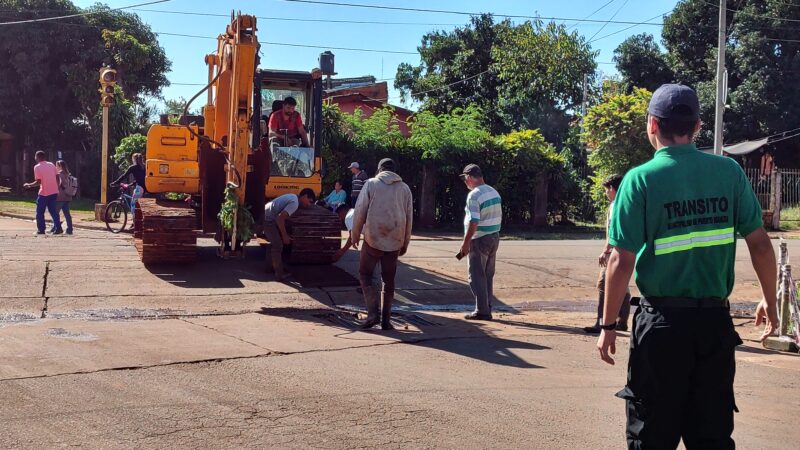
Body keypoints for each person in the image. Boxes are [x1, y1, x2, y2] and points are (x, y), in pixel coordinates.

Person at [597, 84, 779, 449]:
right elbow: (759, 242)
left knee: (651, 436)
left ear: (652, 125)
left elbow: (621, 259)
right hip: (713, 326)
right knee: (711, 435)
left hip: (661, 328)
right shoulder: (728, 172)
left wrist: (607, 326)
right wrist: (770, 304)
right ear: (697, 127)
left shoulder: (640, 179)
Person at [351, 158, 413, 330]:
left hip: (373, 238)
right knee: (389, 280)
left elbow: (360, 211)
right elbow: (409, 218)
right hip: (395, 239)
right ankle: (386, 320)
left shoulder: (371, 184)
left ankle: (372, 315)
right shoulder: (405, 188)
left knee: (365, 274)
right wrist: (405, 243)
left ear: (379, 170)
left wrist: (355, 234)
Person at [583, 174, 630, 334]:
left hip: (614, 251)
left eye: (606, 190)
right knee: (621, 284)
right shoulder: (626, 203)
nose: (606, 193)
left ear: (612, 189)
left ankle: (601, 322)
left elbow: (612, 232)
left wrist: (606, 250)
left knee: (604, 285)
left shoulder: (615, 205)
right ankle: (622, 320)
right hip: (625, 250)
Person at [459, 164, 502, 321]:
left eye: (465, 179)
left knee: (476, 276)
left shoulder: (474, 195)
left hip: (480, 239)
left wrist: (465, 243)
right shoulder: (493, 191)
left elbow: (474, 221)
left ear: (469, 177)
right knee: (487, 275)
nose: (465, 182)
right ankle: (487, 306)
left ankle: (482, 311)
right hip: (494, 237)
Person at [263, 188, 316, 281]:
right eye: (309, 201)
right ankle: (279, 274)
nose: (308, 204)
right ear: (305, 196)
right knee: (278, 245)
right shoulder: (294, 203)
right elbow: (280, 219)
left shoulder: (293, 197)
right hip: (268, 219)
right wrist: (285, 236)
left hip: (265, 213)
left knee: (273, 243)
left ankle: (269, 268)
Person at [23, 151, 60, 235]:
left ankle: (41, 229)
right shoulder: (51, 164)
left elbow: (38, 182)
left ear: (38, 157)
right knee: (53, 211)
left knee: (39, 212)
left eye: (35, 157)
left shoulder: (37, 167)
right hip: (54, 191)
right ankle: (58, 228)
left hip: (44, 192)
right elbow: (57, 177)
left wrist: (29, 185)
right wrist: (57, 187)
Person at [55, 160, 75, 235]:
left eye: (56, 165)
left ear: (60, 166)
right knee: (67, 214)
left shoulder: (59, 174)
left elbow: (59, 183)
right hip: (68, 196)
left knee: (55, 213)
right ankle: (70, 229)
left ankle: (56, 228)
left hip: (61, 197)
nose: (56, 167)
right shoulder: (68, 174)